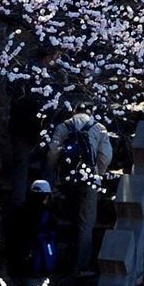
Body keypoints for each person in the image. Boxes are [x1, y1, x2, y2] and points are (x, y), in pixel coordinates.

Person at [47, 102, 113, 276]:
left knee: (64, 218)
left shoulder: (64, 126)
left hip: (66, 181)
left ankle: (56, 261)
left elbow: (53, 151)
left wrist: (56, 173)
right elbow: (106, 155)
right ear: (92, 112)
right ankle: (80, 267)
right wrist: (98, 174)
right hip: (88, 182)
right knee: (85, 224)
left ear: (74, 111)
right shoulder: (99, 128)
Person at [2, 179, 59, 286]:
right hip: (36, 270)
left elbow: (5, 238)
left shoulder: (16, 213)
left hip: (14, 269)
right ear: (47, 196)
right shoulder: (48, 217)